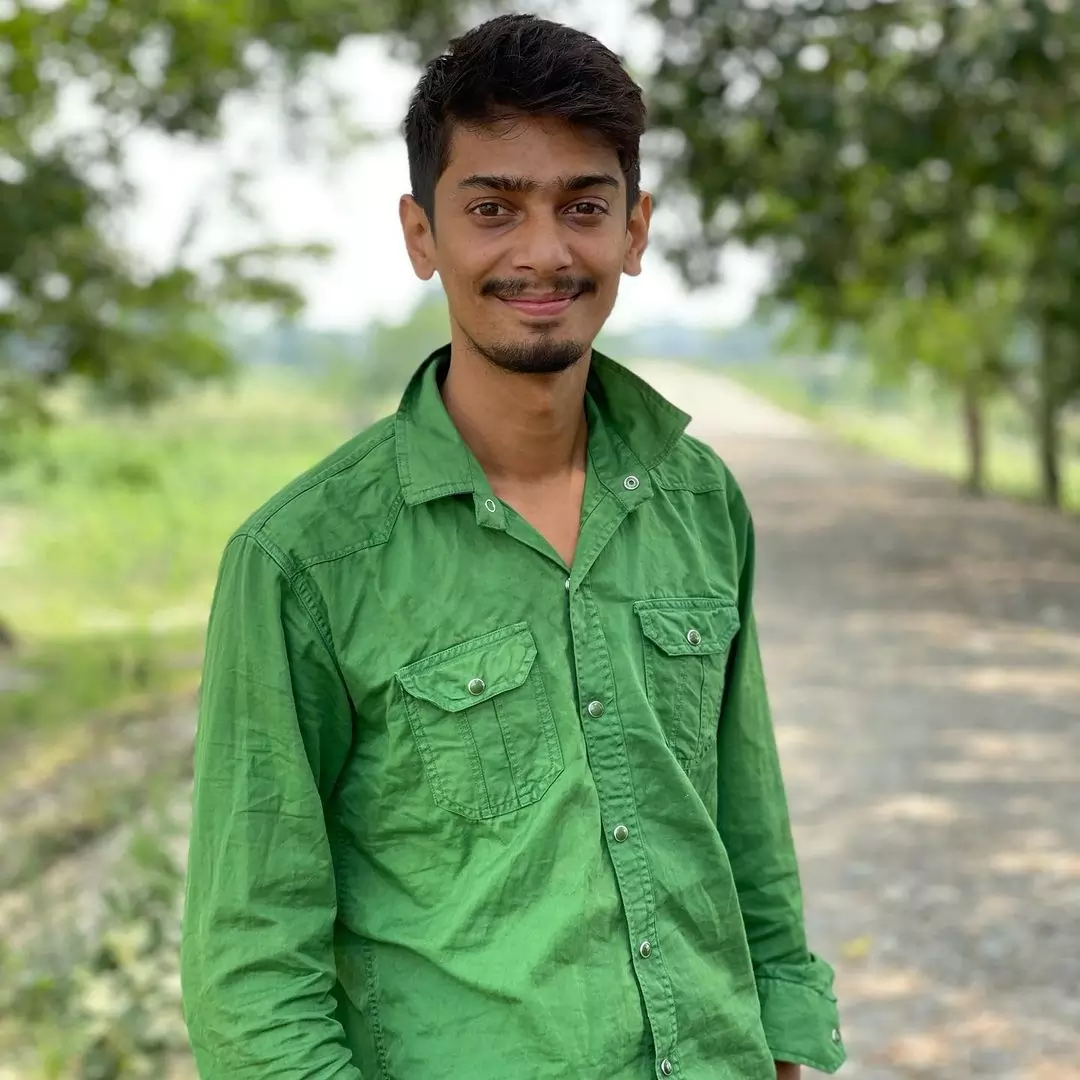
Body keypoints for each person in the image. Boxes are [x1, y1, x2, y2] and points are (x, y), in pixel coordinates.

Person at [180, 13, 846, 1080]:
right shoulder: (303, 560)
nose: (543, 252)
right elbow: (252, 965)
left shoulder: (698, 500)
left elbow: (744, 823)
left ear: (635, 230)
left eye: (583, 206)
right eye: (493, 208)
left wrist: (780, 1045)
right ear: (421, 235)